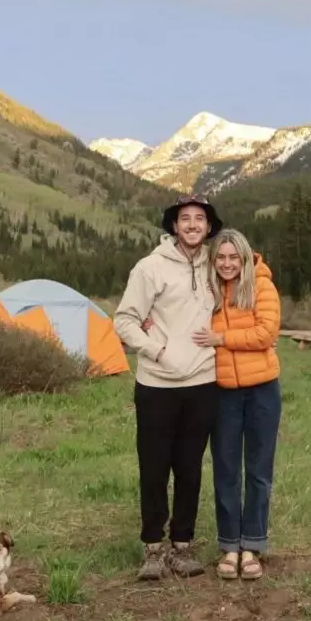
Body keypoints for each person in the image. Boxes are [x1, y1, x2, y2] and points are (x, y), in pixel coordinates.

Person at [113, 194, 222, 580]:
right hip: (156, 385)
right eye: (185, 218)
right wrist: (157, 350)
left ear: (209, 226)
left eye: (199, 219)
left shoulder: (217, 265)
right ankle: (153, 549)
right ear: (174, 226)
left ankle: (182, 546)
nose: (192, 224)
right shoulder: (150, 267)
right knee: (155, 468)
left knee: (190, 469)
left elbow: (247, 274)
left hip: (203, 383)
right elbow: (125, 319)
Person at [192, 228, 281, 580]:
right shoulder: (207, 291)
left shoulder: (262, 286)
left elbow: (266, 334)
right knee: (227, 470)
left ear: (244, 258)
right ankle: (229, 545)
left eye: (233, 257)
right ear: (213, 260)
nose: (227, 264)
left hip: (263, 390)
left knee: (259, 471)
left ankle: (252, 546)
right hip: (223, 392)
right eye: (221, 257)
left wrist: (221, 338)